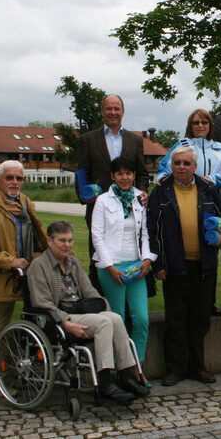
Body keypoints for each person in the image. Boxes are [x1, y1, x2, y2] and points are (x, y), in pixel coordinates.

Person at [27, 221, 149, 403]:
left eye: (69, 240)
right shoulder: (39, 266)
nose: (67, 245)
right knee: (104, 323)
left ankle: (126, 375)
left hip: (80, 310)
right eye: (62, 240)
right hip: (58, 318)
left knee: (114, 317)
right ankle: (105, 383)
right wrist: (66, 323)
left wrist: (101, 306)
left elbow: (89, 291)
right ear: (49, 241)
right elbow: (41, 302)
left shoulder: (73, 263)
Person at [148, 145, 221, 386]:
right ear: (171, 166)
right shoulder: (161, 191)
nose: (182, 167)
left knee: (200, 318)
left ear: (195, 167)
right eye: (177, 163)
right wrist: (158, 264)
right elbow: (152, 230)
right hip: (174, 266)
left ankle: (198, 367)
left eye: (187, 163)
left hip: (204, 267)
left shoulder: (209, 189)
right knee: (175, 319)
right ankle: (175, 369)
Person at [0, 160, 47, 396]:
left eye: (19, 178)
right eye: (10, 178)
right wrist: (9, 261)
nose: (15, 183)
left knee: (37, 322)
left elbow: (35, 234)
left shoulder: (23, 203)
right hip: (1, 277)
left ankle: (30, 373)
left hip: (26, 276)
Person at [77, 94, 149, 280]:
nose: (113, 112)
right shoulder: (88, 139)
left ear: (123, 112)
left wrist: (142, 193)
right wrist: (85, 196)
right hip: (99, 207)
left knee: (130, 251)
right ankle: (101, 299)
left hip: (129, 209)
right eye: (109, 108)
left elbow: (142, 173)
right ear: (102, 111)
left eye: (117, 108)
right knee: (99, 251)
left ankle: (127, 298)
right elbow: (81, 174)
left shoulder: (136, 141)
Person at [91, 156, 156, 364]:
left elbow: (147, 233)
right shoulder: (103, 200)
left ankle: (137, 365)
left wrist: (147, 260)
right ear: (112, 176)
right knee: (116, 319)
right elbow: (97, 236)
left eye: (128, 173)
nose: (125, 177)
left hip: (136, 266)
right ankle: (120, 368)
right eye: (120, 173)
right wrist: (109, 267)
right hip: (112, 267)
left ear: (134, 175)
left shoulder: (141, 198)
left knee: (142, 319)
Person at [157, 108, 221, 189]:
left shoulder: (219, 150)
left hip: (212, 197)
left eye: (204, 122)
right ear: (190, 126)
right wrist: (162, 179)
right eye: (196, 123)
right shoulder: (181, 146)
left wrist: (210, 179)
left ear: (210, 125)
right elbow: (164, 169)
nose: (200, 125)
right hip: (183, 194)